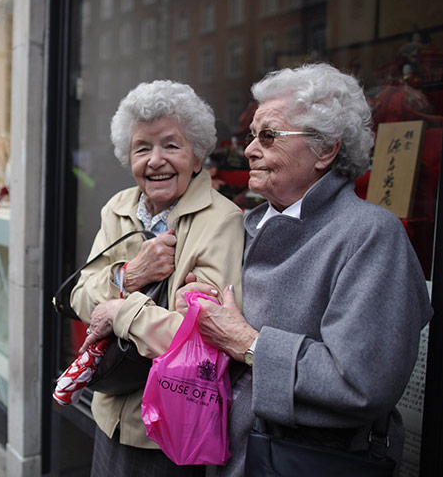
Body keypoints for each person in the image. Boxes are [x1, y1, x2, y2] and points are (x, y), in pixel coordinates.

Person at [175, 63, 433, 476]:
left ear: (326, 149)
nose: (249, 150)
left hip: (303, 462)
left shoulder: (369, 234)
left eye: (268, 136)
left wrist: (246, 342)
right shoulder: (246, 223)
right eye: (251, 136)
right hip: (227, 454)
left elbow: (362, 384)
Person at [70, 80, 244, 476]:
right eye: (142, 148)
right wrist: (130, 275)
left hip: (169, 427)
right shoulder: (118, 208)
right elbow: (81, 296)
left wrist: (118, 311)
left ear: (197, 157)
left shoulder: (222, 221)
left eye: (171, 145)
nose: (155, 160)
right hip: (109, 408)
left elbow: (205, 336)